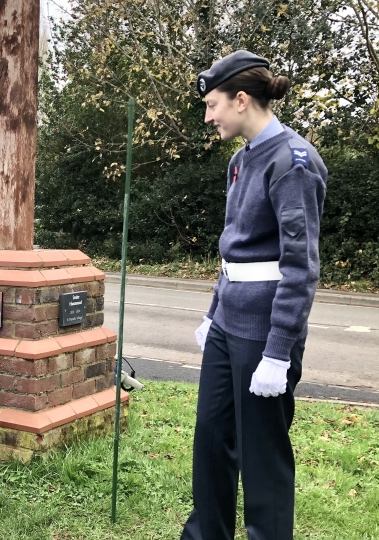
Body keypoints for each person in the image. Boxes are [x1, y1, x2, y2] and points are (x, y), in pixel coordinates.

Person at [181, 51, 327, 540]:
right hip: (227, 328)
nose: (208, 116)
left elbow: (300, 268)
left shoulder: (293, 162)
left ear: (241, 100)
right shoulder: (242, 161)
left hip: (265, 336)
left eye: (213, 104)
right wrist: (212, 312)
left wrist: (278, 352)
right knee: (212, 440)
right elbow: (234, 249)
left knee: (262, 457)